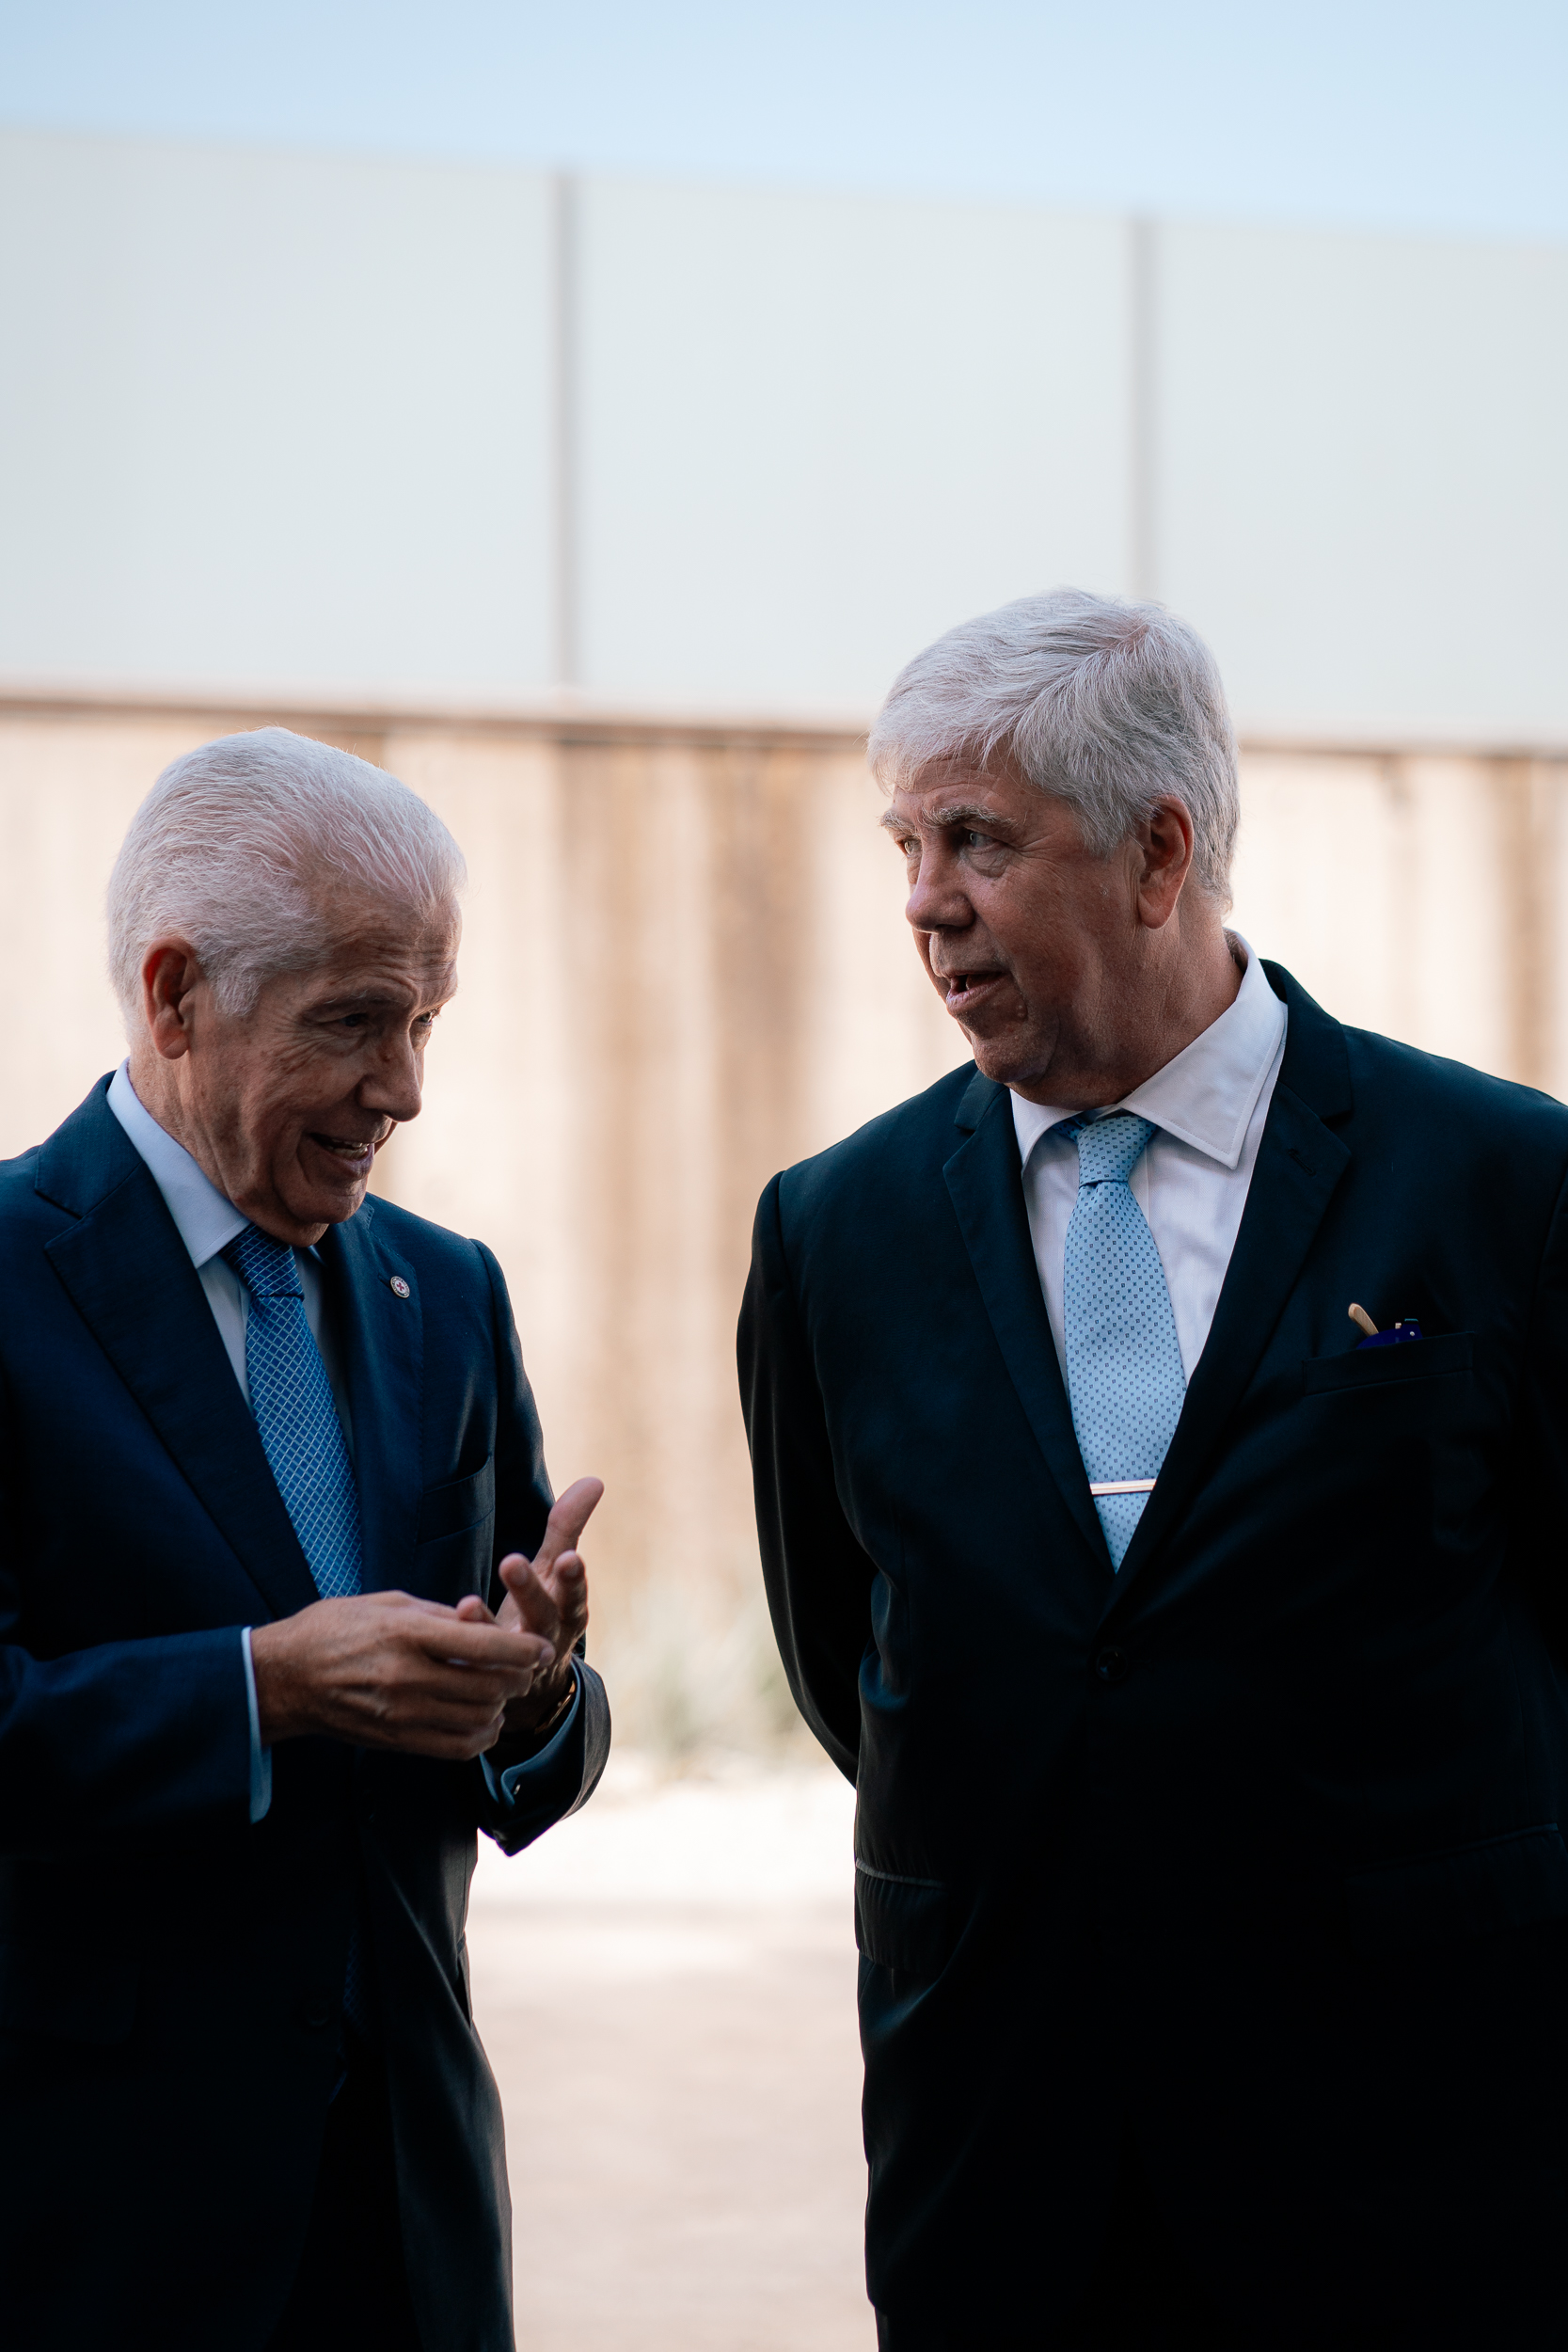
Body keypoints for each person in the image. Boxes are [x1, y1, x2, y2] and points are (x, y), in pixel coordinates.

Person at [738, 590, 1568, 2349]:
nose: (925, 900)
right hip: (1005, 2165)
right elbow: (855, 1659)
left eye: (979, 840)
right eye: (905, 845)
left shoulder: (1503, 1184)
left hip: (1414, 2161)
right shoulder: (834, 1234)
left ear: (1159, 853)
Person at [0, 728, 610, 2352]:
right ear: (175, 995)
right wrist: (261, 1688)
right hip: (101, 2226)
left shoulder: (447, 1293)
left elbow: (527, 1740)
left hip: (410, 2220)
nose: (403, 1089)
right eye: (354, 1021)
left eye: (425, 1023)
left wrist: (539, 1692)